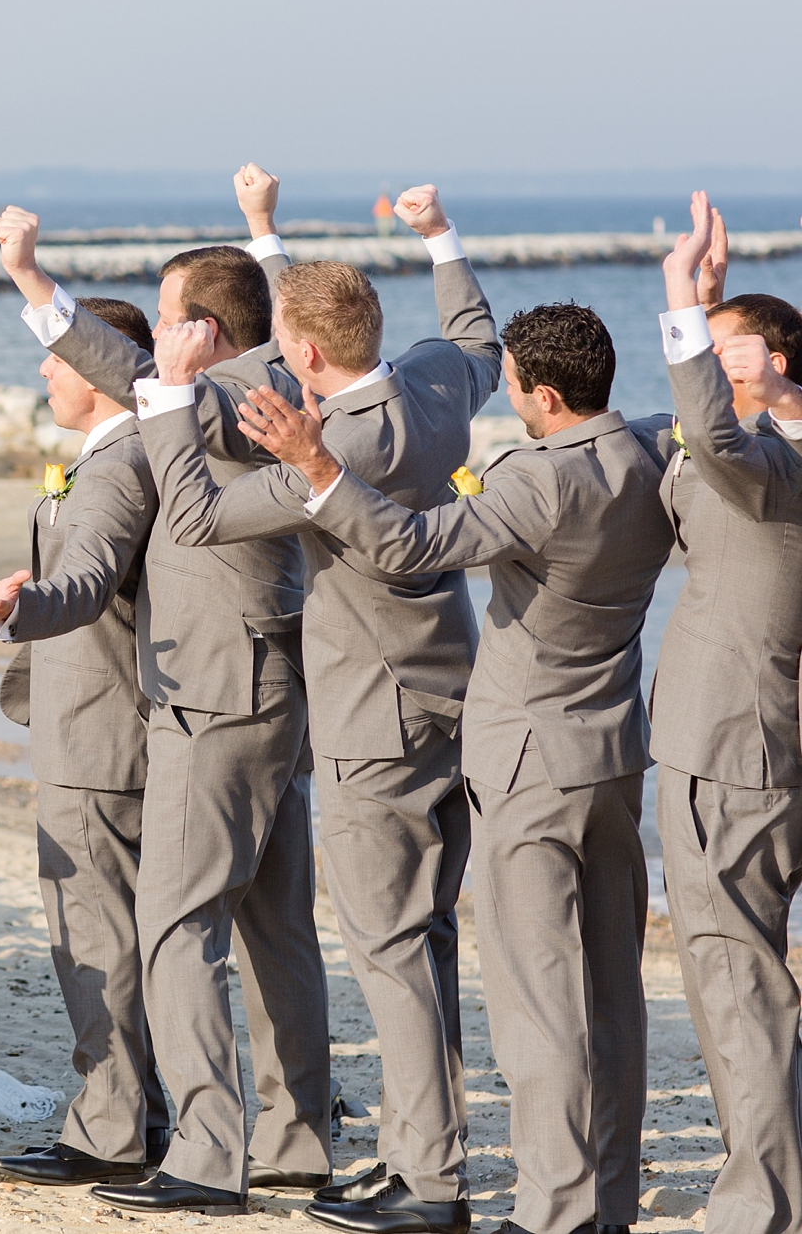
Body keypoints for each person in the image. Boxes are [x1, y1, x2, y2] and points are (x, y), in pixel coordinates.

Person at [238, 303, 672, 1234]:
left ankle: (554, 1212)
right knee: (612, 991)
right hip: (614, 757)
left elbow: (410, 547)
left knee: (536, 998)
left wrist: (319, 467)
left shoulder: (535, 480)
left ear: (544, 394)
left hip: (527, 762)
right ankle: (605, 1204)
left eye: (511, 382)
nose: (503, 394)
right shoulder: (648, 452)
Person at [135, 184, 499, 1234]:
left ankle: (429, 1182)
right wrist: (438, 238)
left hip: (370, 719)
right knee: (423, 940)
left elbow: (199, 517)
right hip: (449, 689)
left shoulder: (329, 460)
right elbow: (472, 332)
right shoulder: (432, 390)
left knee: (387, 949)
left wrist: (167, 391)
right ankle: (414, 1153)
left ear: (298, 352)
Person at [0, 175, 331, 1209]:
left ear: (208, 330)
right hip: (273, 685)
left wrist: (29, 277)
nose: (160, 335)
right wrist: (265, 232)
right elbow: (283, 324)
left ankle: (203, 1152)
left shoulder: (218, 407)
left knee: (179, 927)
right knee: (276, 926)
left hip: (212, 695)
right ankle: (296, 1137)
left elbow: (130, 371)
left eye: (172, 310)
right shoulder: (281, 391)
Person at [0, 294, 169, 1186]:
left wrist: (20, 609)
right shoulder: (130, 450)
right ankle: (144, 1109)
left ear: (96, 363)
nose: (45, 370)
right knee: (123, 933)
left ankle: (113, 1127)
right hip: (111, 724)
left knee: (95, 937)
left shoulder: (120, 461)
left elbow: (85, 584)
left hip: (100, 733)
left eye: (56, 357)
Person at [647, 193, 802, 1234]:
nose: (708, 355)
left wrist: (674, 300)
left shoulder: (772, 460)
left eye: (724, 345)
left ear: (777, 360)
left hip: (731, 744)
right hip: (759, 734)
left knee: (731, 968)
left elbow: (707, 435)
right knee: (744, 968)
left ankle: (761, 1201)